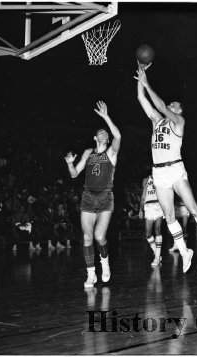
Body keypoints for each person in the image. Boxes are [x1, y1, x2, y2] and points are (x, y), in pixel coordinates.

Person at [135, 64, 197, 273]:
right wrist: (140, 76)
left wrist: (147, 83)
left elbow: (161, 107)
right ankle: (185, 252)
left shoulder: (179, 122)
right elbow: (142, 100)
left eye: (175, 104)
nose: (171, 105)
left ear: (179, 111)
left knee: (193, 208)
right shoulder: (157, 121)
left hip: (175, 169)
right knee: (168, 215)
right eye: (171, 103)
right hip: (158, 172)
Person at [65, 101, 121, 288]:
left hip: (105, 197)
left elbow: (118, 135)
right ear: (95, 137)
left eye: (106, 132)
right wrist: (69, 163)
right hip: (88, 196)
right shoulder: (88, 152)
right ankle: (91, 274)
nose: (104, 133)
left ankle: (105, 263)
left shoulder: (112, 152)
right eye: (101, 131)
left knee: (99, 237)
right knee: (87, 237)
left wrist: (106, 116)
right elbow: (74, 174)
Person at [139, 174, 164, 266]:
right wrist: (140, 209)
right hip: (148, 206)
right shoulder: (146, 179)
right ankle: (156, 252)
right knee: (148, 234)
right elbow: (143, 195)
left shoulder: (160, 177)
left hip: (158, 204)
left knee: (158, 230)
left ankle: (157, 257)